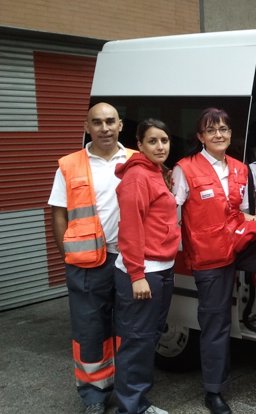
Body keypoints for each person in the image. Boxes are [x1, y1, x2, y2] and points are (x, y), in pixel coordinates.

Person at [171, 108, 256, 414]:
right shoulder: (185, 169)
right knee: (216, 324)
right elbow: (173, 216)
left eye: (224, 129)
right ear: (201, 137)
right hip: (209, 258)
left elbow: (241, 210)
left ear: (231, 134)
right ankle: (214, 391)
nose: (219, 134)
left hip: (240, 244)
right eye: (211, 130)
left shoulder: (238, 168)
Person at [48, 102, 135, 414]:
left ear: (121, 125)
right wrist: (68, 255)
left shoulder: (137, 161)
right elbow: (59, 214)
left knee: (129, 330)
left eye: (111, 121)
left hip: (128, 261)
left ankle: (129, 393)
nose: (105, 128)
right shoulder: (70, 165)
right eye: (97, 122)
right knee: (89, 332)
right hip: (85, 263)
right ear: (87, 126)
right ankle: (94, 397)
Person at [112, 119, 179, 414]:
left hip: (160, 267)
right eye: (152, 141)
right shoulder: (137, 176)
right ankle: (132, 406)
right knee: (137, 340)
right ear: (139, 144)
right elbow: (130, 228)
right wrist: (136, 275)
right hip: (143, 271)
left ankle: (137, 402)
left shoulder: (156, 172)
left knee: (147, 337)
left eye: (164, 140)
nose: (160, 146)